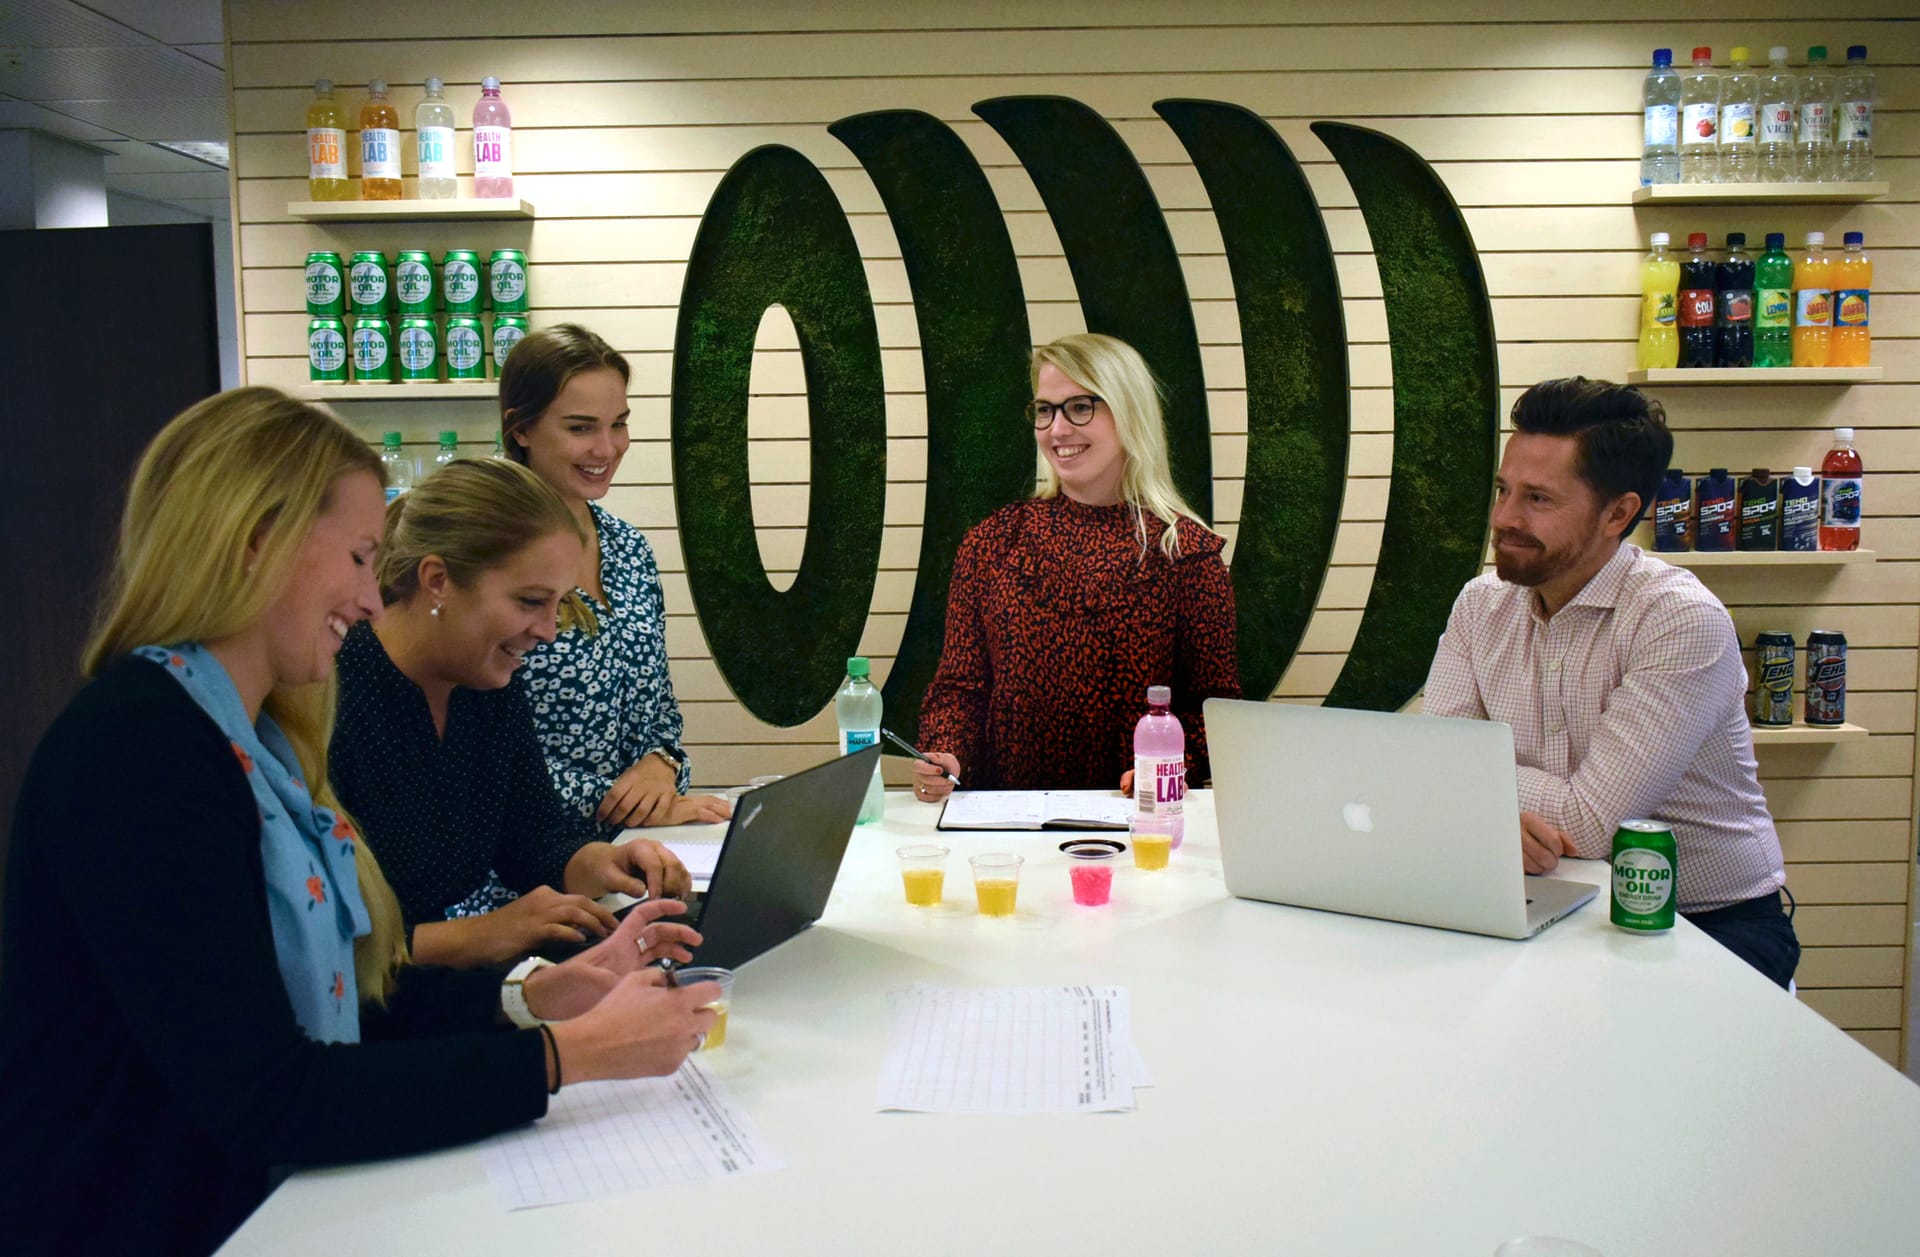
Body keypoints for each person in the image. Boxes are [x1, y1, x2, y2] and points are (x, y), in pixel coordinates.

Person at [0, 388, 721, 1257]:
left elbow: (336, 1000)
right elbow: (273, 1093)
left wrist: (529, 1000)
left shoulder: (255, 736)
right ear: (256, 541)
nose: (372, 601)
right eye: (356, 558)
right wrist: (565, 1056)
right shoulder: (142, 752)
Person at [1422, 377, 1799, 988]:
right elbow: (1432, 763)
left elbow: (1591, 823)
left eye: (1538, 499)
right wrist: (1473, 796)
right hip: (1542, 898)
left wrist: (1479, 794)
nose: (1505, 518)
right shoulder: (1479, 604)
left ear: (1618, 513)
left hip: (1707, 921)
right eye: (1503, 490)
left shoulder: (1680, 619)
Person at [330, 457, 696, 969]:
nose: (547, 631)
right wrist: (478, 935)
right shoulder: (336, 698)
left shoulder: (484, 680)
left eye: (558, 605)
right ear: (437, 579)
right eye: (529, 602)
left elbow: (534, 842)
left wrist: (606, 863)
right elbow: (320, 948)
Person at [911, 333, 1240, 800]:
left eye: (1080, 407)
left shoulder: (1186, 554)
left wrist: (1168, 767)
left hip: (1136, 821)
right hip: (1004, 823)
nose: (1057, 429)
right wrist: (946, 753)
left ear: (1129, 412)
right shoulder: (991, 544)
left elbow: (1215, 713)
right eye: (1045, 410)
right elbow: (959, 689)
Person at [499, 323, 728, 831]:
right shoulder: (486, 554)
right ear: (521, 429)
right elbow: (476, 754)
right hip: (527, 864)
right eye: (581, 428)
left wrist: (662, 763)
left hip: (635, 845)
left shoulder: (629, 548)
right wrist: (622, 803)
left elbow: (659, 711)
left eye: (618, 424)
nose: (607, 449)